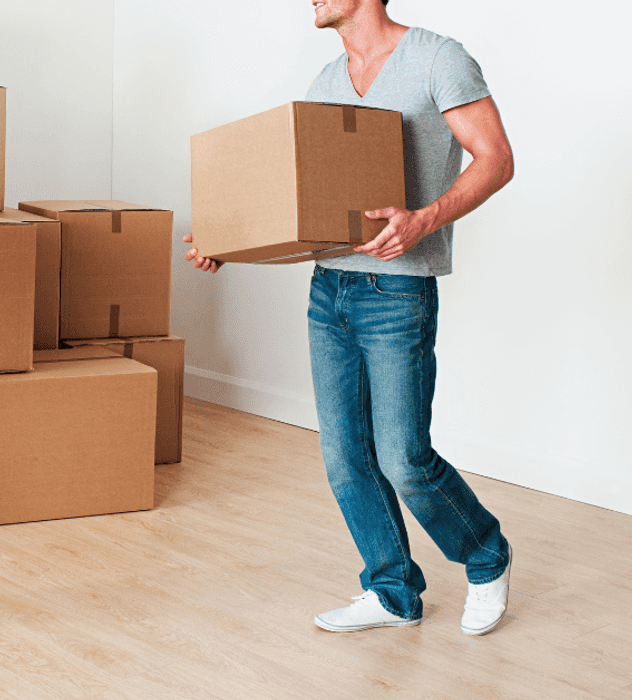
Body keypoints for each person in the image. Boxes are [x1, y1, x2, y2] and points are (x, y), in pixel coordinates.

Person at [184, 0, 515, 635]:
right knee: (344, 456)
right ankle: (392, 591)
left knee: (405, 458)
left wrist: (424, 219)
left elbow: (496, 158)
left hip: (397, 294)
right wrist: (227, 243)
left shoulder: (436, 58)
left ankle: (486, 555)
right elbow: (300, 205)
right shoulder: (327, 84)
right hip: (329, 289)